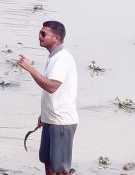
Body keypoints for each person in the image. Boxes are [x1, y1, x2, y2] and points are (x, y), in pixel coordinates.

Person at [17, 20, 78, 175]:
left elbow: (51, 87)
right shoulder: (54, 57)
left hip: (61, 121)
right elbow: (55, 92)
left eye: (43, 34)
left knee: (60, 170)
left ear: (56, 38)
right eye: (40, 32)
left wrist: (30, 69)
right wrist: (44, 115)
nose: (39, 36)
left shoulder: (62, 58)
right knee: (48, 161)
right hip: (51, 119)